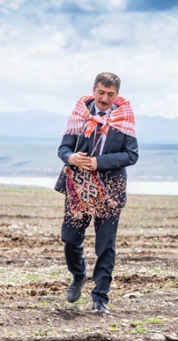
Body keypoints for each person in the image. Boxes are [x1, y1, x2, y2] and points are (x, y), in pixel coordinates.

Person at [55, 72, 138, 314]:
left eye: (110, 94)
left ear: (117, 95)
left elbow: (131, 155)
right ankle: (78, 275)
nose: (104, 98)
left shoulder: (125, 118)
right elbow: (64, 148)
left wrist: (98, 163)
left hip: (110, 190)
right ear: (94, 90)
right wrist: (70, 157)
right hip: (79, 187)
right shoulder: (80, 112)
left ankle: (100, 297)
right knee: (69, 238)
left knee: (105, 246)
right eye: (100, 92)